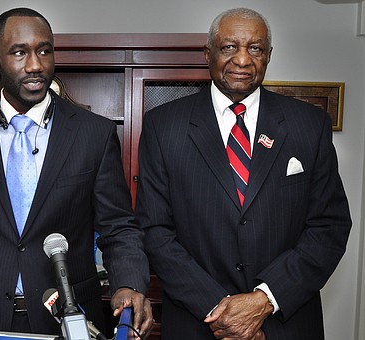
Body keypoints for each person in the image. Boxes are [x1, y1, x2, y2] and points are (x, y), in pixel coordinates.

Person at [0, 7, 153, 338]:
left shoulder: (94, 133)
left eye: (44, 51)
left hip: (72, 314)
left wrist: (128, 284)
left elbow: (119, 227)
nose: (35, 65)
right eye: (20, 52)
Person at [135, 7, 351, 340]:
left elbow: (329, 226)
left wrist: (264, 300)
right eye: (229, 47)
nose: (243, 60)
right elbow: (155, 230)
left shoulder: (308, 125)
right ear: (208, 54)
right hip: (199, 323)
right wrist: (221, 311)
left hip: (284, 323)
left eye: (255, 48)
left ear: (268, 56)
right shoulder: (164, 126)